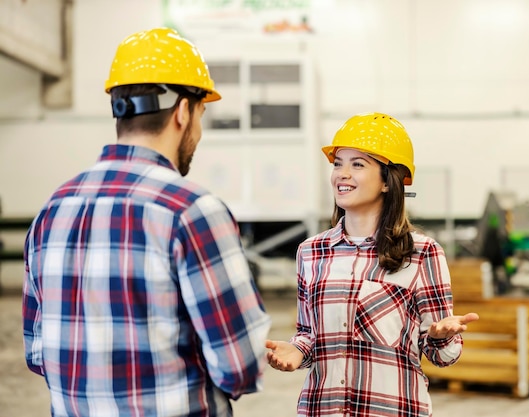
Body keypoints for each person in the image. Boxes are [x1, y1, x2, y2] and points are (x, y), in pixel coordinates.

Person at [22, 27, 271, 417]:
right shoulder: (192, 211)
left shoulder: (52, 210)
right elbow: (240, 368)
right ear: (184, 111)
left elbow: (38, 353)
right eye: (201, 114)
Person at [265, 112, 479, 417]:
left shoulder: (421, 253)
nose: (342, 173)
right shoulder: (311, 252)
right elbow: (309, 333)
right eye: (338, 163)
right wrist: (297, 350)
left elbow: (443, 355)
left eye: (357, 164)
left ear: (387, 182)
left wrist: (438, 337)